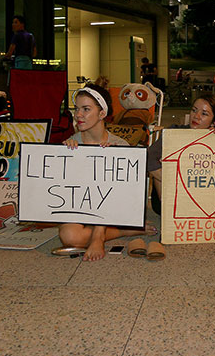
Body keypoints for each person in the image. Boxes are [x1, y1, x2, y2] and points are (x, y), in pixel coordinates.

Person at [57, 84, 147, 261]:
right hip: (82, 207)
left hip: (112, 210)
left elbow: (128, 195)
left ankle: (99, 235)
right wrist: (67, 157)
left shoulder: (119, 145)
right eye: (77, 109)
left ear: (102, 114)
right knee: (69, 236)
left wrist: (113, 160)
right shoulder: (70, 144)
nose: (78, 115)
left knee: (107, 171)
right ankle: (122, 231)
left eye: (86, 109)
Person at [147, 93, 215, 204]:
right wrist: (174, 180)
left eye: (204, 114)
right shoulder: (173, 132)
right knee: (159, 162)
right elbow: (149, 156)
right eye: (194, 110)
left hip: (203, 198)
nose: (196, 116)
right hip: (170, 196)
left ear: (214, 121)